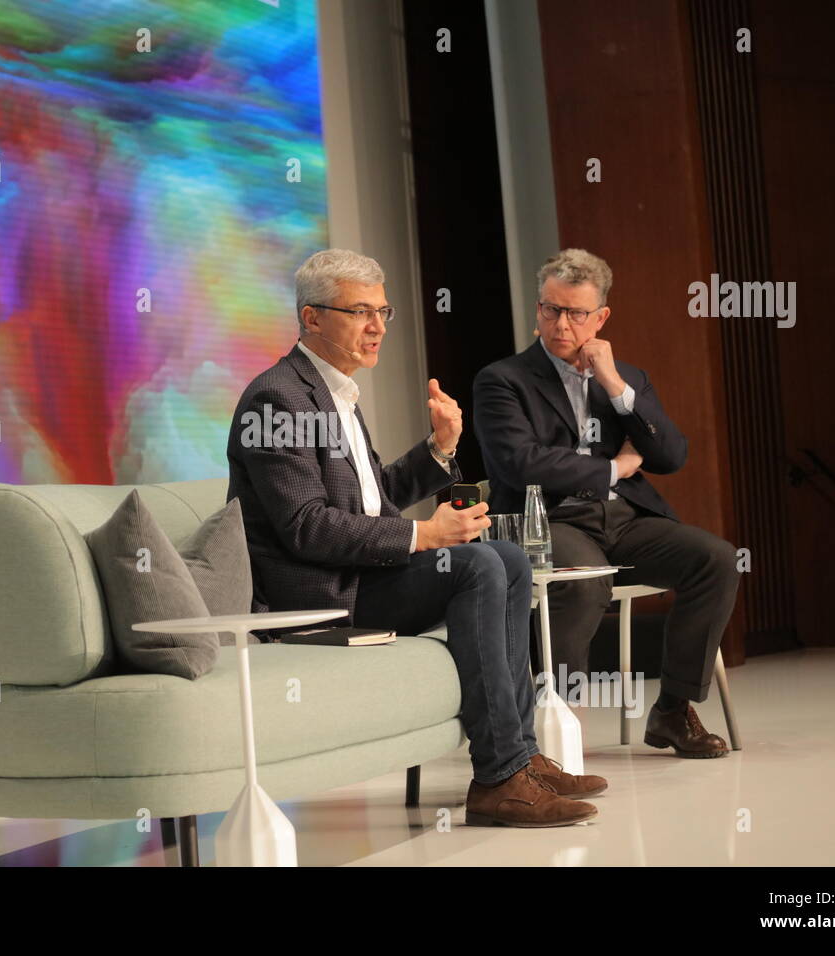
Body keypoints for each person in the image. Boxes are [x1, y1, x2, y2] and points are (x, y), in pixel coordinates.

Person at [227, 248, 606, 827]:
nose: (378, 327)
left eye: (383, 312)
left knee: (505, 557)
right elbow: (307, 526)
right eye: (360, 312)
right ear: (311, 318)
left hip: (360, 576)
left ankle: (522, 757)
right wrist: (425, 534)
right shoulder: (279, 398)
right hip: (321, 595)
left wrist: (440, 450)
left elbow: (372, 498)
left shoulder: (335, 393)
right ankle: (499, 776)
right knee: (479, 565)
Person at [473, 248, 739, 758]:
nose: (560, 324)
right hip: (548, 519)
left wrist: (616, 387)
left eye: (575, 313)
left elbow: (671, 454)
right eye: (551, 309)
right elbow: (520, 464)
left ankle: (672, 712)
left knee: (717, 560)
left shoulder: (626, 378)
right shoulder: (503, 380)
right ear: (538, 309)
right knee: (584, 583)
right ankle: (553, 730)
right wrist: (614, 468)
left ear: (600, 318)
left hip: (625, 520)